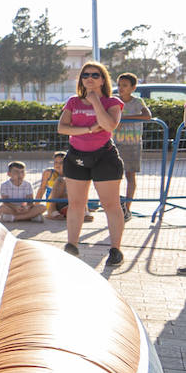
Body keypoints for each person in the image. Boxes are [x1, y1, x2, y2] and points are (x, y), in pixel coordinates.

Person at [58, 60, 126, 265]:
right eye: (85, 75)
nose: (89, 78)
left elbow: (109, 125)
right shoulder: (73, 101)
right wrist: (88, 129)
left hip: (104, 157)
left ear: (102, 79)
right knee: (76, 204)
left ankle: (115, 250)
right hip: (76, 157)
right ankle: (72, 246)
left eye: (95, 75)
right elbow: (62, 127)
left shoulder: (112, 102)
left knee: (111, 205)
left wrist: (96, 101)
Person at [114, 72, 151, 218]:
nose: (121, 88)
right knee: (113, 177)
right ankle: (116, 206)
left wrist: (125, 118)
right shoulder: (114, 101)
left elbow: (147, 115)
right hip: (115, 143)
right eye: (119, 85)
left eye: (125, 85)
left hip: (132, 144)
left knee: (130, 176)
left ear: (133, 88)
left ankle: (127, 208)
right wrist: (119, 121)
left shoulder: (138, 102)